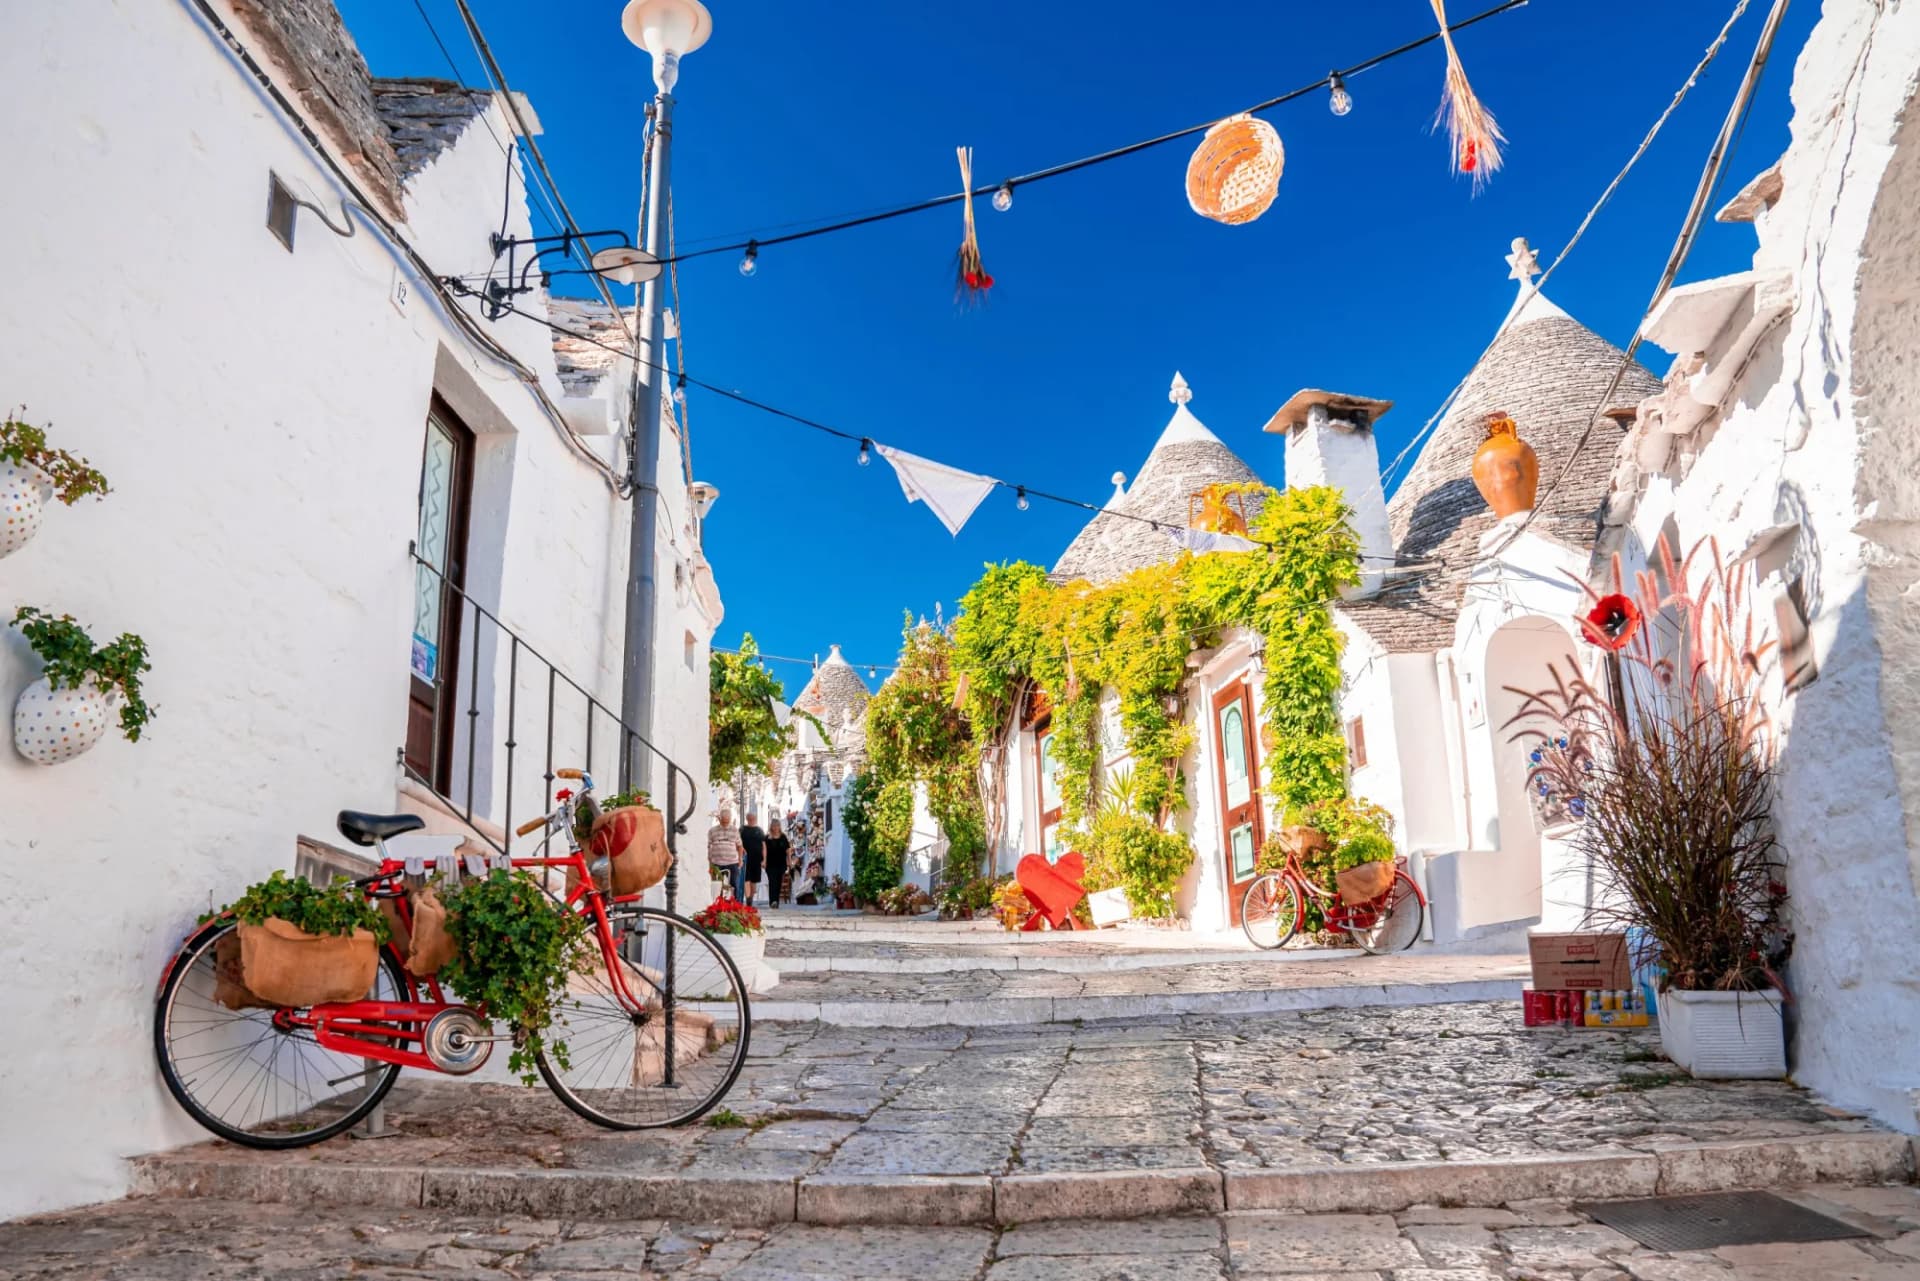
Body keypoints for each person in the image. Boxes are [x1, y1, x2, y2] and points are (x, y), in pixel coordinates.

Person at [706, 808, 744, 899]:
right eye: (724, 822)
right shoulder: (712, 831)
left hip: (732, 862)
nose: (725, 824)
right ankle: (718, 905)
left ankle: (736, 906)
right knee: (717, 886)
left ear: (730, 819)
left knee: (734, 885)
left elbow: (739, 846)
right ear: (720, 819)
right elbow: (707, 845)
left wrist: (740, 859)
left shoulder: (734, 830)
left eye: (727, 822)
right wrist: (709, 861)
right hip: (716, 862)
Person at [738, 811, 767, 906]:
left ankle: (751, 897)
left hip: (756, 859)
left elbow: (764, 846)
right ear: (747, 819)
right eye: (749, 819)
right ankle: (748, 899)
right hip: (745, 858)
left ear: (755, 819)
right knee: (746, 879)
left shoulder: (759, 830)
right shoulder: (742, 829)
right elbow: (737, 843)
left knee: (754, 881)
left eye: (753, 819)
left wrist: (764, 860)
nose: (751, 820)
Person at [763, 819, 791, 909]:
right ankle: (772, 901)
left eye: (777, 826)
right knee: (772, 882)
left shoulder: (783, 837)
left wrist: (789, 861)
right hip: (770, 864)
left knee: (778, 882)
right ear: (771, 827)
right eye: (774, 826)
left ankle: (776, 901)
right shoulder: (767, 838)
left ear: (779, 827)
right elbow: (764, 851)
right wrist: (764, 861)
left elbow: (788, 850)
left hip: (781, 864)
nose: (775, 828)